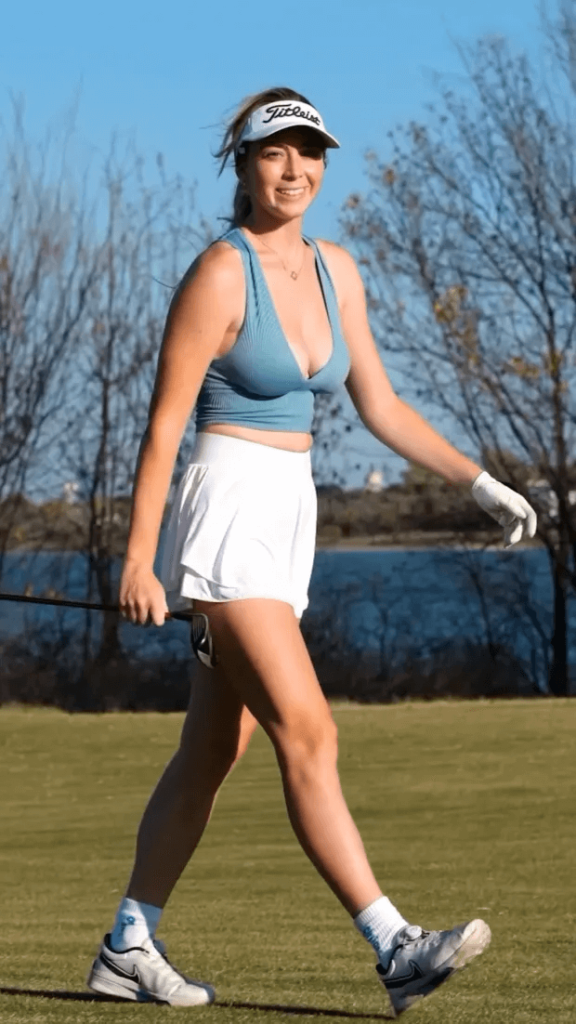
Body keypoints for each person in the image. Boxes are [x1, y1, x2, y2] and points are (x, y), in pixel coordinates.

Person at [87, 87, 536, 1016]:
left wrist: (478, 483)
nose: (295, 169)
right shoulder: (220, 272)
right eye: (275, 153)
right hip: (224, 514)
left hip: (289, 516)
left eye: (310, 152)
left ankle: (129, 942)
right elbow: (164, 428)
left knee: (215, 748)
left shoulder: (337, 268)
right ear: (243, 167)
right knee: (310, 729)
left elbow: (380, 404)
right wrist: (138, 559)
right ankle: (394, 944)